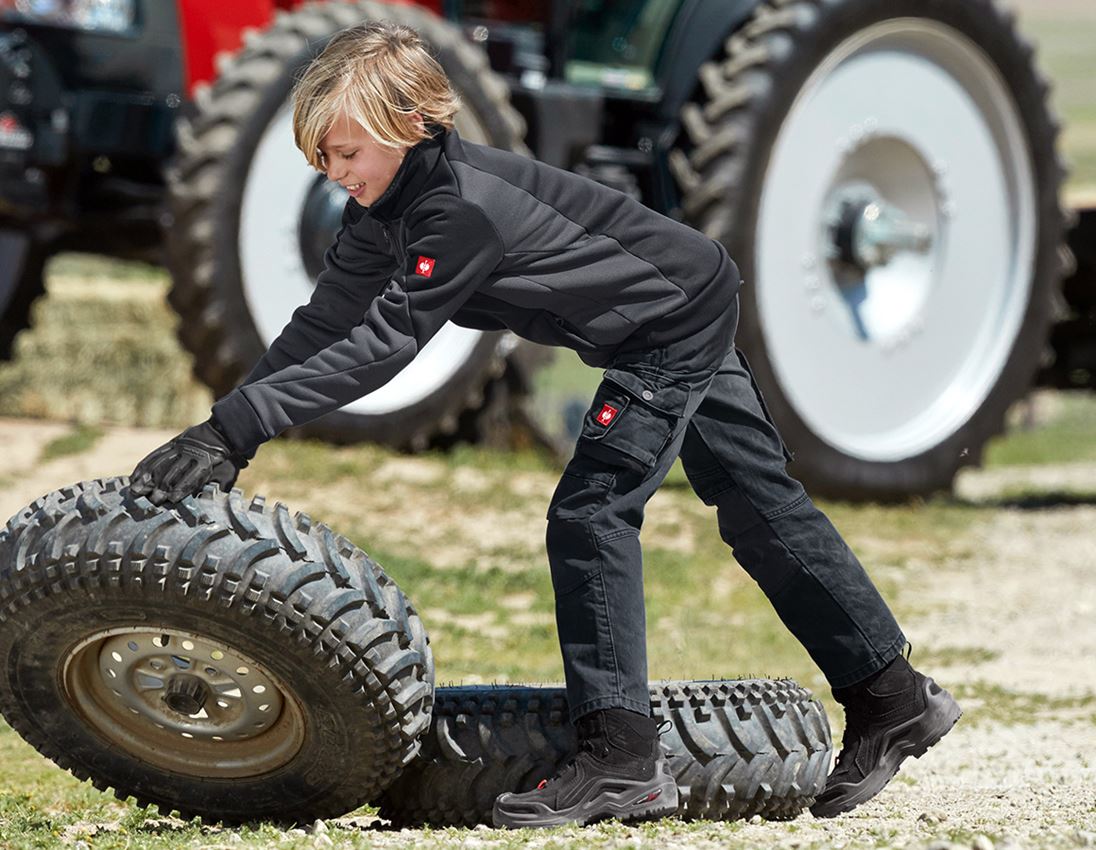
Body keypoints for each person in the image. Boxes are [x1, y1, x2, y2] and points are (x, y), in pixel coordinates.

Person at [130, 20, 961, 828]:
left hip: (665, 326)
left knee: (591, 512)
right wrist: (218, 430)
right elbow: (324, 325)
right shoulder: (383, 211)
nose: (332, 171)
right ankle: (894, 699)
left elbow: (386, 345)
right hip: (682, 300)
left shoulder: (461, 211)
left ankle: (621, 762)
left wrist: (241, 429)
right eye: (319, 157)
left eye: (345, 152)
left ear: (411, 126)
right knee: (756, 505)